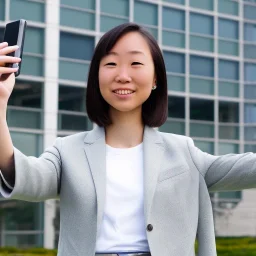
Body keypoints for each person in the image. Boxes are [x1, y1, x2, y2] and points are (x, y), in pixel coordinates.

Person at [0, 22, 256, 256]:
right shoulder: (67, 151)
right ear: (97, 77)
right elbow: (24, 177)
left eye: (135, 64)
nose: (122, 75)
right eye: (110, 64)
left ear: (156, 78)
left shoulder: (183, 152)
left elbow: (248, 169)